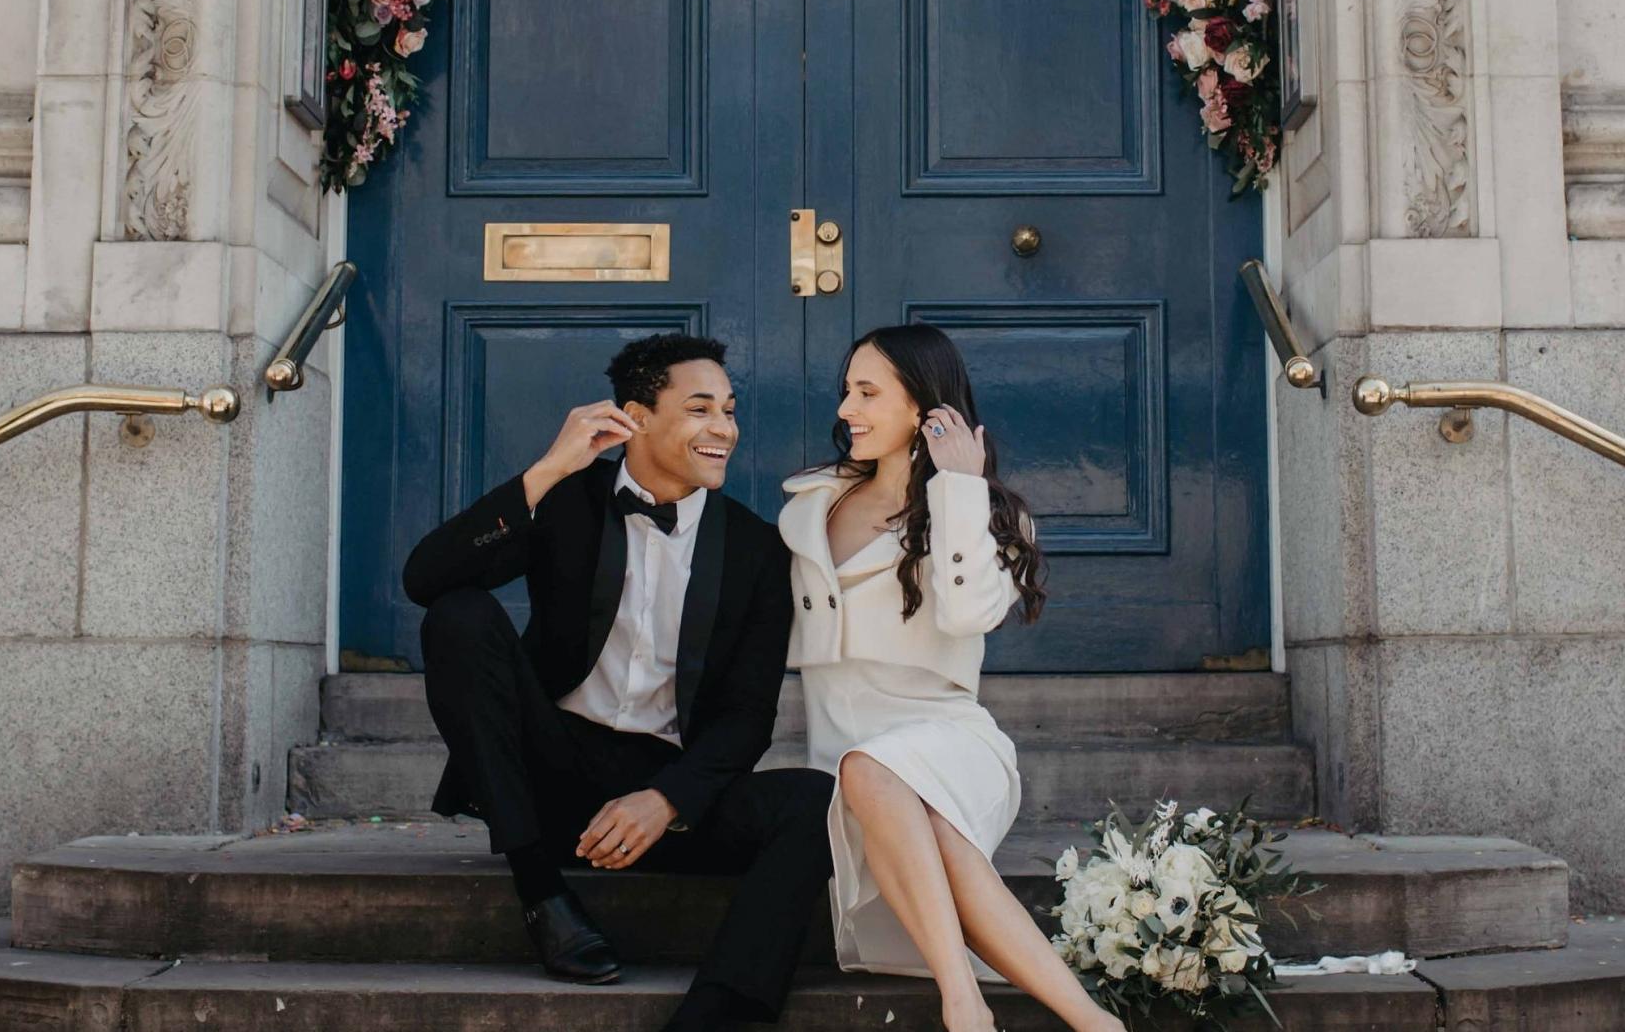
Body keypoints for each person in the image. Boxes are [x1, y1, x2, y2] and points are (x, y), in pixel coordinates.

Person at [404, 334, 828, 1031]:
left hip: (664, 789)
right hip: (550, 773)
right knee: (459, 616)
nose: (724, 428)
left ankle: (721, 1013)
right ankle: (542, 895)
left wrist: (667, 799)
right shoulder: (569, 502)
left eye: (729, 409)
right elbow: (426, 579)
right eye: (700, 409)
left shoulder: (756, 549)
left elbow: (747, 717)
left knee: (817, 800)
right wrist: (547, 471)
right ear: (636, 416)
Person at [778, 325, 1125, 1032]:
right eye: (847, 391)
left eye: (869, 393)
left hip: (949, 742)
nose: (848, 408)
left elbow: (969, 615)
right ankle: (1094, 1024)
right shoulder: (813, 507)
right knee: (879, 783)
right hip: (851, 767)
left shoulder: (989, 513)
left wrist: (961, 488)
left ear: (924, 409)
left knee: (879, 775)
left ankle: (962, 1004)